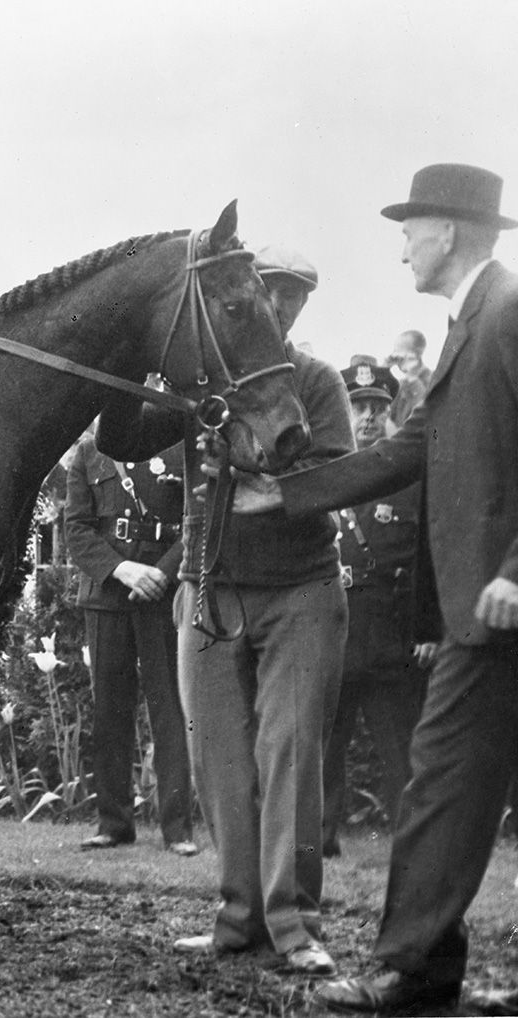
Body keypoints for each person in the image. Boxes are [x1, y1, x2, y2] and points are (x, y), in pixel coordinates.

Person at [231, 164, 518, 1014]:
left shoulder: (506, 316)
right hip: (482, 608)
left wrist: (512, 569)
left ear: (448, 233)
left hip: (495, 601)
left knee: (438, 781)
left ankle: (410, 968)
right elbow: (406, 450)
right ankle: (422, 966)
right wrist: (289, 495)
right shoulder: (475, 324)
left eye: (407, 231)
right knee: (444, 780)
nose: (400, 252)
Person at [94, 243, 353, 977]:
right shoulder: (202, 382)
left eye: (296, 294)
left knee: (290, 755)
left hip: (298, 590)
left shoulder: (314, 380)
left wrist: (243, 478)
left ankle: (294, 925)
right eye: (271, 290)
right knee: (219, 764)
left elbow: (331, 474)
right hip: (206, 591)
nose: (283, 303)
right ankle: (238, 919)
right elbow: (118, 438)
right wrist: (133, 362)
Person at [64, 431, 196, 856]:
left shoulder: (181, 444)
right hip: (108, 595)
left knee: (170, 707)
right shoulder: (90, 450)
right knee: (110, 710)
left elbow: (200, 518)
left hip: (164, 592)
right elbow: (77, 529)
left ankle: (178, 829)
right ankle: (113, 824)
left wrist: (163, 572)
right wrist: (123, 570)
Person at [320, 363, 433, 858]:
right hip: (333, 632)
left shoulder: (410, 478)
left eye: (377, 407)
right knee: (324, 750)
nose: (367, 417)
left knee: (403, 753)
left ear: (391, 412)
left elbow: (428, 556)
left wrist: (431, 628)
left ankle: (413, 848)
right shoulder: (324, 471)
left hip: (392, 638)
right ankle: (317, 844)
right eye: (358, 405)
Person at [384, 329, 434, 427]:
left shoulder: (433, 379)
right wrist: (384, 370)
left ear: (414, 355)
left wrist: (412, 376)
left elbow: (426, 414)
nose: (394, 356)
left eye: (397, 351)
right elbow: (386, 413)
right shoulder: (402, 384)